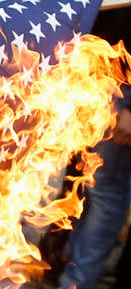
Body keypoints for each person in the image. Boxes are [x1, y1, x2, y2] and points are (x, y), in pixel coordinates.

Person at [58, 88, 131, 289]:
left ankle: (75, 283)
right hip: (107, 81)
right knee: (87, 183)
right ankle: (69, 265)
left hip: (123, 92)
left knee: (105, 193)